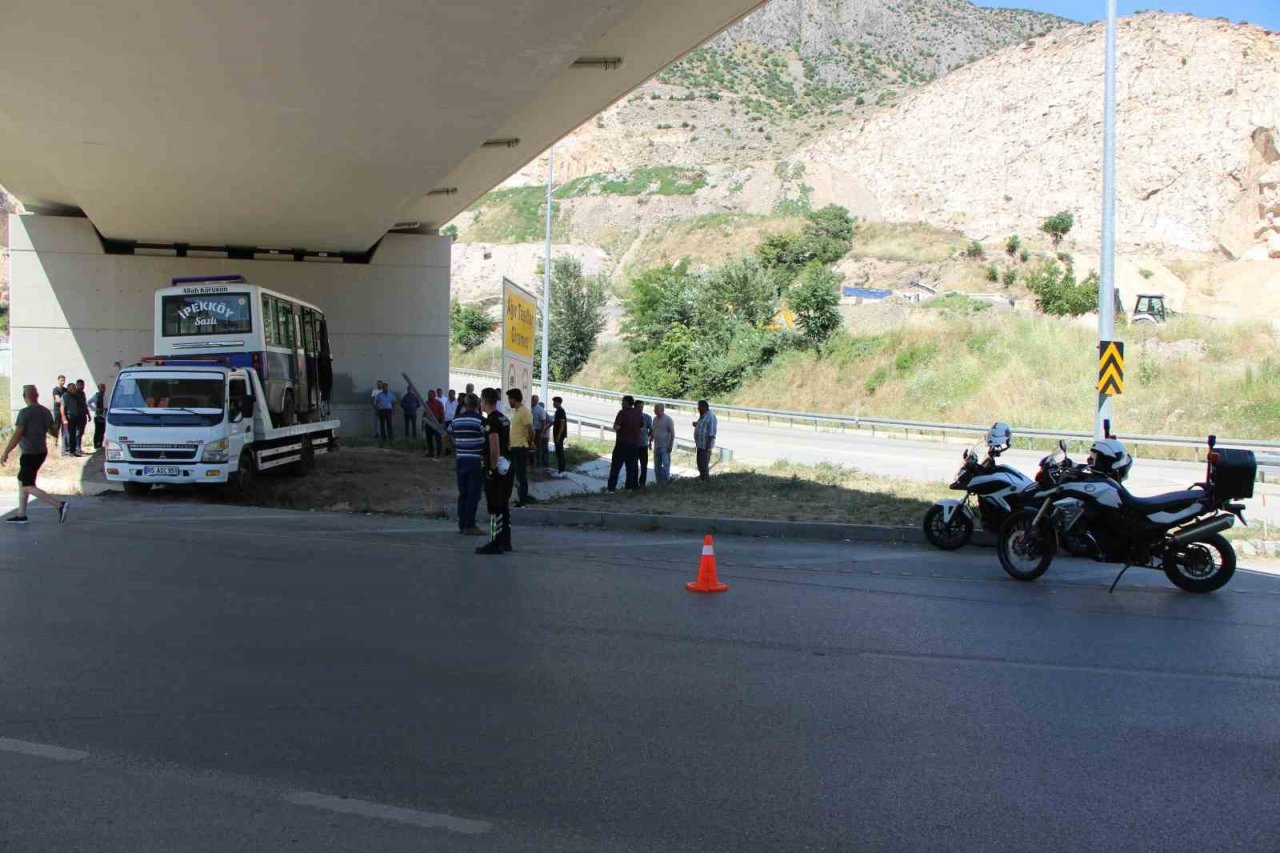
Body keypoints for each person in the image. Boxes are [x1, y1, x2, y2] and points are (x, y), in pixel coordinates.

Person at [2, 385, 69, 524]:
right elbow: (54, 432)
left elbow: (17, 435)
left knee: (27, 485)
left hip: (29, 453)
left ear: (25, 397)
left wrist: (6, 452)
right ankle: (21, 515)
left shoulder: (24, 413)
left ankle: (59, 505)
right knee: (23, 482)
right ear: (37, 396)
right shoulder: (45, 412)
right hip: (41, 452)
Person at [476, 387, 514, 555]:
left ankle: (494, 542)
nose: (480, 403)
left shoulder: (490, 421)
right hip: (507, 468)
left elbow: (494, 447)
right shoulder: (504, 418)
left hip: (497, 469)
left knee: (494, 507)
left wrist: (491, 470)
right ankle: (506, 541)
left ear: (484, 400)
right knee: (504, 505)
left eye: (481, 400)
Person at [448, 393, 486, 535]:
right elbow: (488, 439)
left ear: (464, 404)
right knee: (473, 494)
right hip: (475, 461)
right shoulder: (480, 421)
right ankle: (470, 525)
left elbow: (447, 436)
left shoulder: (456, 420)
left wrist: (455, 449)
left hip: (461, 460)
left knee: (463, 494)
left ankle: (462, 524)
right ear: (477, 404)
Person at [607, 395, 643, 491]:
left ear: (627, 402)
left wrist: (617, 427)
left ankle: (611, 489)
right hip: (634, 444)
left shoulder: (622, 413)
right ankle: (629, 488)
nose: (622, 403)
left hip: (622, 443)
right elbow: (641, 426)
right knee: (631, 467)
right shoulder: (639, 413)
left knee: (615, 467)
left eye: (623, 401)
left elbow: (617, 427)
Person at [506, 388, 534, 505]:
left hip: (521, 447)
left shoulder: (524, 411)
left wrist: (530, 442)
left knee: (521, 476)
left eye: (509, 399)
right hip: (514, 448)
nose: (509, 402)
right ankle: (518, 498)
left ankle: (523, 501)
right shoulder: (518, 411)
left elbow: (531, 430)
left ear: (513, 398)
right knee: (513, 474)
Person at [60, 379, 87, 458]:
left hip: (75, 417)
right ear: (69, 388)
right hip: (69, 417)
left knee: (73, 434)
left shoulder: (75, 396)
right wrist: (64, 418)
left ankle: (73, 451)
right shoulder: (65, 396)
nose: (75, 389)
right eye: (73, 388)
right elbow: (62, 408)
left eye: (75, 388)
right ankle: (66, 451)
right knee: (68, 434)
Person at [694, 399, 718, 481]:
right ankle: (702, 477)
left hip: (706, 445)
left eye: (699, 407)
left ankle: (705, 479)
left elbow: (711, 431)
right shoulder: (703, 415)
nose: (698, 409)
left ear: (704, 407)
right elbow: (702, 426)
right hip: (700, 444)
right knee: (700, 462)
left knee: (704, 463)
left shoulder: (710, 416)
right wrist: (696, 424)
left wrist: (709, 445)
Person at [651, 402, 675, 484]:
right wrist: (650, 440)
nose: (655, 411)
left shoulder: (668, 420)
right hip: (657, 446)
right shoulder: (654, 419)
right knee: (656, 466)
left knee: (666, 464)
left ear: (662, 410)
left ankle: (666, 481)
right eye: (655, 410)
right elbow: (653, 431)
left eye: (656, 410)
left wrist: (670, 445)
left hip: (665, 446)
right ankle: (659, 482)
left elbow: (672, 433)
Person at [635, 400, 652, 487]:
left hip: (643, 445)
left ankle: (642, 483)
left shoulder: (647, 417)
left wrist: (649, 440)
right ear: (635, 407)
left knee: (644, 465)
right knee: (634, 465)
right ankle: (634, 482)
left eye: (642, 407)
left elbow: (651, 430)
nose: (640, 409)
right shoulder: (632, 417)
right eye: (638, 407)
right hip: (634, 445)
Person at [425, 389, 445, 458]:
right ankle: (431, 452)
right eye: (428, 395)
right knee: (429, 438)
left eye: (429, 395)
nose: (428, 396)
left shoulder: (439, 403)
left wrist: (442, 423)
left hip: (437, 423)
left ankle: (439, 453)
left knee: (438, 439)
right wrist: (423, 421)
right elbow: (425, 413)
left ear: (434, 395)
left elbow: (442, 414)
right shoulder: (426, 403)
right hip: (429, 423)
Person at [51, 375, 67, 456]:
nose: (63, 382)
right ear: (58, 381)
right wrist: (65, 402)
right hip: (57, 411)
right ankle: (55, 444)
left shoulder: (65, 390)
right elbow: (58, 400)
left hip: (64, 411)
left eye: (64, 380)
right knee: (56, 427)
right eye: (61, 380)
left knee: (64, 428)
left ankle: (64, 446)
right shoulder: (56, 389)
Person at [530, 394, 548, 469]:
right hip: (530, 430)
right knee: (530, 446)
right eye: (532, 400)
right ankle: (531, 462)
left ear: (536, 401)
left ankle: (538, 462)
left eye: (534, 400)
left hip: (537, 430)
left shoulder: (540, 410)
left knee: (537, 447)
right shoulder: (529, 407)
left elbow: (543, 422)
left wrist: (541, 432)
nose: (532, 401)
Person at [552, 396, 568, 475]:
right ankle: (560, 469)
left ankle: (561, 470)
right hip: (557, 435)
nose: (553, 404)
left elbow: (562, 424)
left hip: (559, 435)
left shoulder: (561, 411)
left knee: (560, 452)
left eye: (554, 402)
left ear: (558, 402)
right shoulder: (558, 411)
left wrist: (558, 436)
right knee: (558, 452)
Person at [90, 382, 107, 451]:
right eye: (101, 388)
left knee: (102, 431)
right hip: (97, 416)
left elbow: (107, 405)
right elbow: (88, 402)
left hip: (104, 415)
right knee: (97, 430)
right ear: (99, 388)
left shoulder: (106, 396)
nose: (102, 389)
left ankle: (100, 444)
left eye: (103, 388)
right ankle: (96, 444)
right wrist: (94, 409)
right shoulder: (96, 396)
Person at [443, 389, 458, 456]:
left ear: (454, 394)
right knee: (447, 436)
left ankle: (454, 451)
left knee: (454, 436)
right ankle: (448, 450)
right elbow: (445, 411)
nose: (449, 395)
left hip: (453, 421)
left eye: (451, 394)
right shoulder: (447, 401)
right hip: (447, 421)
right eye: (449, 393)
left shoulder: (457, 402)